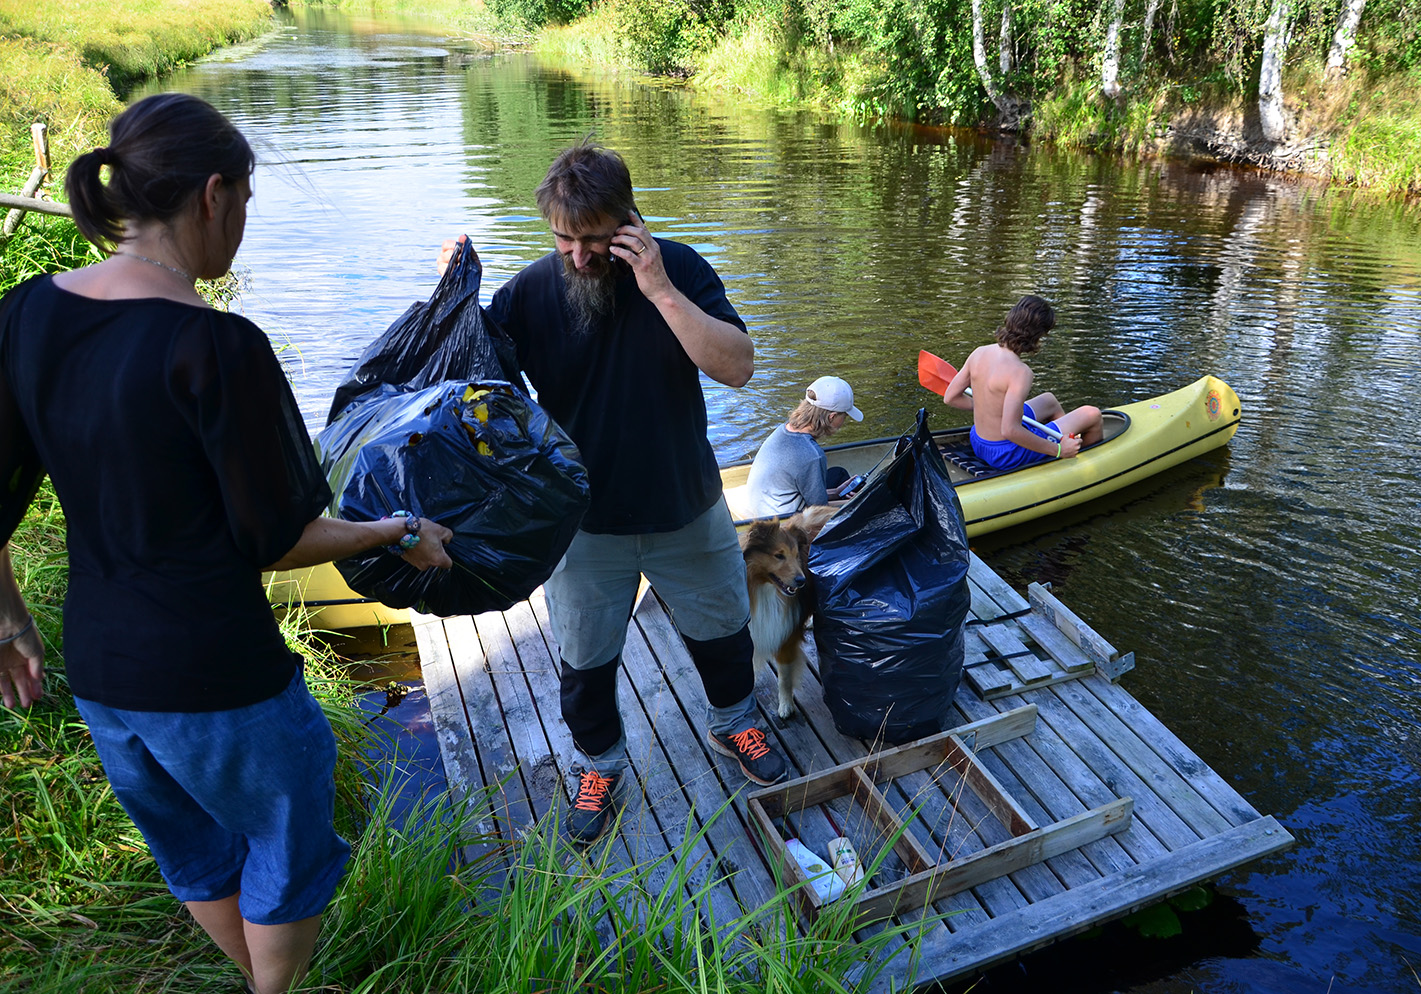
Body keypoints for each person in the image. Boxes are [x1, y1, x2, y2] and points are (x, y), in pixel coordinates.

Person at [0, 93, 454, 994]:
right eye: (246, 202)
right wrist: (397, 528)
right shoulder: (215, 345)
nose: (243, 224)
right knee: (285, 846)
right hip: (218, 672)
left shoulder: (22, 315)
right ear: (214, 195)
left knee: (192, 848)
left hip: (102, 672)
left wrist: (10, 626)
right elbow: (279, 538)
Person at [438, 140, 790, 846]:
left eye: (594, 240)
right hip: (582, 521)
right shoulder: (532, 294)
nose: (577, 256)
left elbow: (740, 367)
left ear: (628, 221)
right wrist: (452, 302)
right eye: (565, 239)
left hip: (685, 504)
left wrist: (660, 289)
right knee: (585, 658)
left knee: (723, 632)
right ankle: (599, 763)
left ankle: (733, 724)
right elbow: (468, 389)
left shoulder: (680, 267)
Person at [943, 295, 1102, 470]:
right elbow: (1010, 430)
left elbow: (950, 398)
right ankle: (1072, 459)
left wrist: (986, 406)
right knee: (1092, 414)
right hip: (1006, 454)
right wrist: (1058, 450)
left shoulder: (979, 352)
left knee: (1049, 400)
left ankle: (1068, 440)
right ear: (1037, 336)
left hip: (979, 441)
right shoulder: (1020, 372)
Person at [743, 375, 863, 516]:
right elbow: (819, 512)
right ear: (832, 417)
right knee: (862, 503)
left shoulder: (782, 429)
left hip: (765, 508)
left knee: (838, 473)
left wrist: (836, 493)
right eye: (845, 416)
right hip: (784, 524)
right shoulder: (812, 455)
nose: (844, 421)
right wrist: (857, 501)